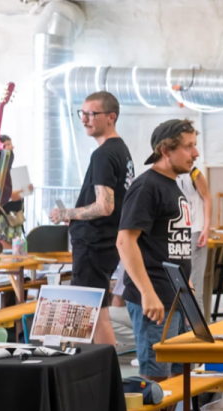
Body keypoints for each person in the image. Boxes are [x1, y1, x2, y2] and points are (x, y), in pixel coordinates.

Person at [117, 119, 197, 411]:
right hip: (155, 299)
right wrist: (148, 292)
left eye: (195, 145)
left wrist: (186, 282)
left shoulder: (173, 185)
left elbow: (170, 242)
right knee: (155, 377)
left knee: (176, 374)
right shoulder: (147, 185)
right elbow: (125, 242)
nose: (195, 153)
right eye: (188, 146)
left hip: (175, 294)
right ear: (165, 150)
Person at [50, 91, 134, 346]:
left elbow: (105, 206)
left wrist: (67, 213)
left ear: (111, 117)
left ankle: (106, 376)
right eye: (82, 113)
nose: (85, 119)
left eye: (91, 114)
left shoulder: (104, 154)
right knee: (97, 312)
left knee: (95, 315)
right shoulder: (121, 150)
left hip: (95, 244)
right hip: (103, 242)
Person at [175, 166, 212, 310]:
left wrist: (206, 228)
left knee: (195, 290)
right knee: (180, 290)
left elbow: (207, 197)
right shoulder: (165, 174)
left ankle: (199, 330)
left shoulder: (194, 173)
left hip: (195, 232)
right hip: (177, 234)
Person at [0, 135, 33, 248]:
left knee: (16, 254)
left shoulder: (10, 171)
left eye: (11, 144)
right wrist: (13, 195)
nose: (12, 147)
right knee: (7, 254)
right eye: (8, 144)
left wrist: (25, 190)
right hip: (2, 218)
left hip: (14, 217)